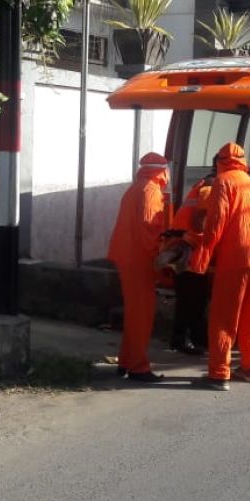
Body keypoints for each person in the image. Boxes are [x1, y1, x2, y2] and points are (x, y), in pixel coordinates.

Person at [187, 142, 250, 391]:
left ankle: (219, 373)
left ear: (220, 162)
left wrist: (201, 258)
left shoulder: (223, 183)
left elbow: (216, 223)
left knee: (224, 316)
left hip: (237, 257)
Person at [105, 152, 169, 384]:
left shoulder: (135, 188)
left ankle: (126, 361)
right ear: (161, 171)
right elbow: (149, 228)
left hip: (128, 257)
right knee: (141, 315)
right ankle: (138, 368)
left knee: (134, 313)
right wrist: (160, 257)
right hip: (139, 259)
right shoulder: (151, 191)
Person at [166, 175, 213, 355]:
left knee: (190, 297)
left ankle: (193, 338)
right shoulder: (208, 190)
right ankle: (183, 340)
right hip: (191, 251)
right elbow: (199, 223)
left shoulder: (200, 187)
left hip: (183, 248)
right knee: (193, 298)